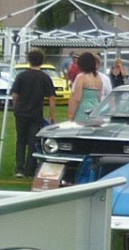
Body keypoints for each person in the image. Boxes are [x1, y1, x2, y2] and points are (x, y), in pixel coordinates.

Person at [10, 47, 58, 177]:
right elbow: (52, 97)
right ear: (42, 61)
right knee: (33, 142)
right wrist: (52, 115)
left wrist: (16, 107)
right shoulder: (44, 78)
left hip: (21, 113)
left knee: (20, 141)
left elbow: (15, 95)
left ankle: (19, 168)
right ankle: (30, 169)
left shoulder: (21, 76)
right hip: (36, 114)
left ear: (29, 61)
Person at [68, 50, 109, 123]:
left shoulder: (81, 78)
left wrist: (72, 114)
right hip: (95, 109)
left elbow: (77, 99)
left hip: (83, 109)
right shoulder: (99, 79)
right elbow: (99, 98)